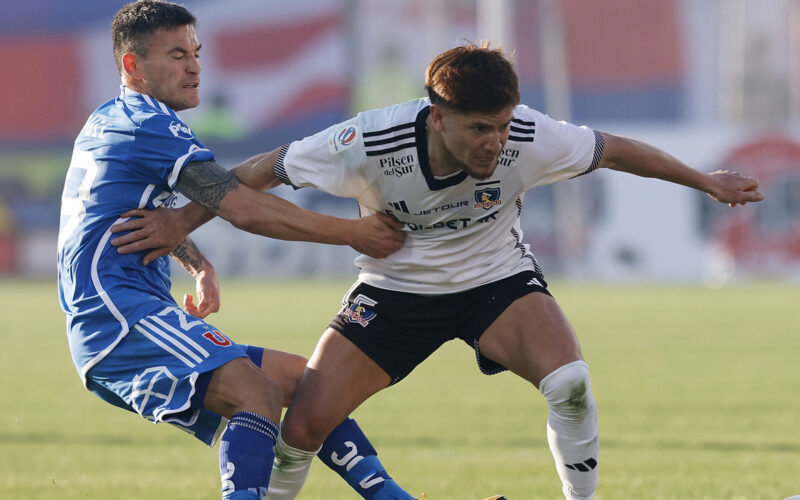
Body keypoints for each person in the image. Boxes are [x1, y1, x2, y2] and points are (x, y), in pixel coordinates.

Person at [112, 41, 764, 500]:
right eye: (480, 129)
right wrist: (178, 225)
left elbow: (616, 150)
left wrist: (706, 181)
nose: (495, 144)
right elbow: (257, 171)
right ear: (438, 115)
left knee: (569, 381)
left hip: (498, 282)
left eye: (503, 127)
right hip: (393, 293)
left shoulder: (531, 135)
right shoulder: (368, 140)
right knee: (305, 424)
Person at [56, 1, 424, 499]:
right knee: (258, 393)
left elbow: (132, 219)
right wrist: (352, 233)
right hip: (119, 321)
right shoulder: (149, 124)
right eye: (176, 54)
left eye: (196, 52)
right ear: (132, 65)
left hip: (126, 317)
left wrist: (196, 262)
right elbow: (242, 208)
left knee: (310, 385)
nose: (194, 66)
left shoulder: (114, 118)